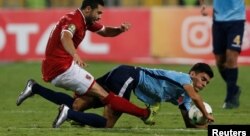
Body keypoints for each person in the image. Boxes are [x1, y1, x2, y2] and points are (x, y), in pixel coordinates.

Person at [16, 0, 156, 126]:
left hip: (55, 67)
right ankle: (144, 114)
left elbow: (105, 31)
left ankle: (36, 89)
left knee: (82, 101)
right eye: (98, 12)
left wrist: (119, 30)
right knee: (106, 96)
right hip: (63, 68)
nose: (100, 16)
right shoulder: (73, 20)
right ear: (88, 9)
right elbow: (65, 37)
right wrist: (75, 54)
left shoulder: (84, 20)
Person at [17, 62, 215, 128]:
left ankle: (35, 88)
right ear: (192, 74)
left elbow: (189, 123)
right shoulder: (183, 79)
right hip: (128, 76)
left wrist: (206, 126)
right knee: (108, 123)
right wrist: (205, 113)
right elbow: (196, 99)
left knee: (79, 104)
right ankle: (68, 114)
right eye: (203, 79)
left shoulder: (186, 97)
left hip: (121, 74)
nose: (204, 85)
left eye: (207, 83)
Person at [199, 0, 245, 109]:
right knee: (219, 61)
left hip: (236, 19)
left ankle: (230, 100)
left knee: (231, 57)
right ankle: (233, 88)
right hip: (218, 20)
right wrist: (203, 4)